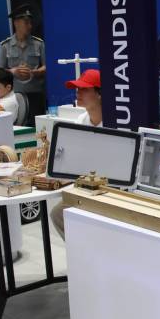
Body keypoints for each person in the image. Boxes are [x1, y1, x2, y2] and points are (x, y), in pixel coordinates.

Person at [50, 68, 102, 239]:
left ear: (99, 94)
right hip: (85, 188)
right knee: (58, 214)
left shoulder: (115, 123)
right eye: (77, 88)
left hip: (108, 190)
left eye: (84, 89)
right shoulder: (81, 121)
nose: (78, 92)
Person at [0, 4, 45, 118]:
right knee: (17, 125)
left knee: (37, 125)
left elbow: (47, 67)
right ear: (16, 23)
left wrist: (34, 72)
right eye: (26, 23)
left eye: (30, 23)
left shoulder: (39, 44)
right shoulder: (5, 45)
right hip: (14, 97)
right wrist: (13, 71)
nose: (30, 26)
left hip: (35, 96)